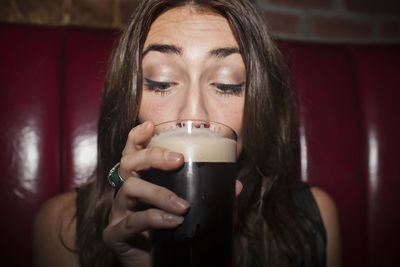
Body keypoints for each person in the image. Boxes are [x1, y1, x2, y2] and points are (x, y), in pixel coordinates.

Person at [33, 0, 341, 266]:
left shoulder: (312, 221)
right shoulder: (62, 227)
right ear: (129, 100)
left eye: (227, 84)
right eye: (161, 81)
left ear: (259, 105)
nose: (193, 114)